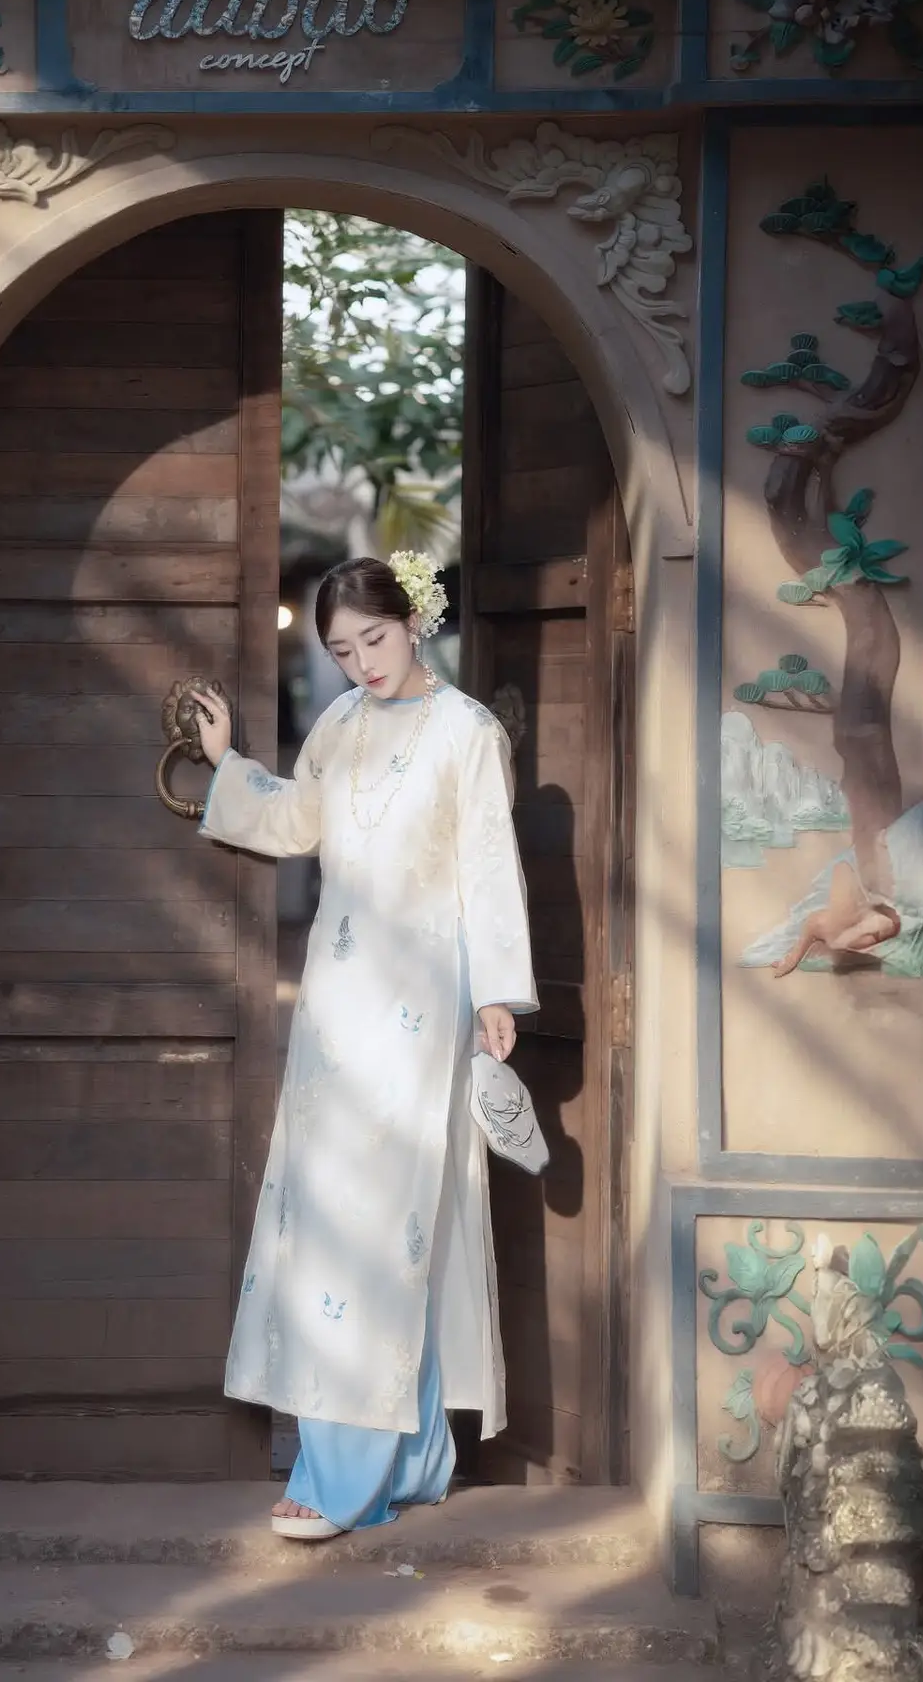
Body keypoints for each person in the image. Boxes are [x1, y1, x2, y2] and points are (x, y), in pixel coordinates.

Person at [191, 552, 537, 1541]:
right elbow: (297, 820)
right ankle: (410, 1460)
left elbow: (488, 864)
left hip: (425, 1001)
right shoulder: (339, 724)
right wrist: (225, 764)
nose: (361, 664)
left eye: (373, 640)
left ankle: (342, 1475)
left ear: (412, 621)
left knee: (389, 1220)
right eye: (342, 651)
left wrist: (497, 991)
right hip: (337, 1005)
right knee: (333, 1215)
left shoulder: (468, 733)